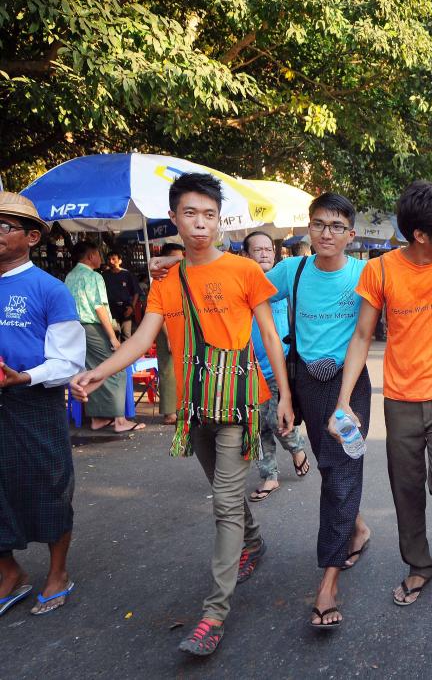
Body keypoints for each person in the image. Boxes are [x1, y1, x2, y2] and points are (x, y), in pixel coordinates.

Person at [71, 172, 295, 656]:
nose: (200, 224)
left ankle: (213, 614)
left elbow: (270, 336)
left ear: (219, 220)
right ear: (173, 218)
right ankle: (253, 543)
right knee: (224, 492)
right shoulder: (168, 282)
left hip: (237, 403)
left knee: (223, 503)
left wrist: (286, 398)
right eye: (190, 214)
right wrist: (97, 372)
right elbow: (139, 340)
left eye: (209, 215)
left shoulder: (243, 272)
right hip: (194, 409)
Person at [331, 180, 432, 607]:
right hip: (398, 399)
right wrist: (343, 400)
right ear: (420, 235)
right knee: (406, 488)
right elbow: (361, 336)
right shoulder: (380, 271)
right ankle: (419, 564)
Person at [265, 194, 373, 627]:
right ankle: (358, 528)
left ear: (351, 234)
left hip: (349, 383)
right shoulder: (292, 270)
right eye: (319, 224)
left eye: (336, 225)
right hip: (306, 380)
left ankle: (328, 583)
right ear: (308, 229)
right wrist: (176, 268)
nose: (326, 233)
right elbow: (243, 288)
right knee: (333, 471)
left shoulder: (366, 273)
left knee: (341, 474)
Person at [0, 192, 85, 617]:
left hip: (34, 402)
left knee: (50, 487)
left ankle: (57, 573)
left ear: (31, 237)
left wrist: (25, 376)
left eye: (4, 226)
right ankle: (9, 572)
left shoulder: (49, 290)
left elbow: (68, 359)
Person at [240, 231, 310, 503]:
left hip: (279, 370)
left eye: (268, 249)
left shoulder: (282, 287)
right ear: (245, 255)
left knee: (275, 419)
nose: (265, 253)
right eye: (257, 250)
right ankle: (269, 475)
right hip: (248, 372)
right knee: (255, 428)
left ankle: (297, 448)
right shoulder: (241, 286)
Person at [64, 241, 144, 433]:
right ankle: (119, 420)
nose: (101, 258)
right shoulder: (94, 276)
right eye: (99, 254)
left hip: (75, 329)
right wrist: (112, 337)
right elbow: (99, 307)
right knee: (115, 368)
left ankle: (98, 418)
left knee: (92, 370)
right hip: (94, 327)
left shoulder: (70, 276)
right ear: (91, 256)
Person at [155, 243, 185, 425]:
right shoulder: (161, 281)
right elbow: (162, 315)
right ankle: (169, 412)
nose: (179, 261)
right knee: (168, 371)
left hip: (182, 329)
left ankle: (180, 408)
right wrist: (168, 337)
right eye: (175, 258)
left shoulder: (181, 277)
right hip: (167, 329)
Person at [101, 251, 141, 338]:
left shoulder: (127, 274)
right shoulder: (104, 276)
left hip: (126, 308)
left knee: (126, 335)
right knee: (114, 334)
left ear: (120, 261)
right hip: (111, 309)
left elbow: (136, 292)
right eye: (108, 259)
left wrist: (132, 307)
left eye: (113, 259)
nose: (111, 261)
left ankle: (127, 352)